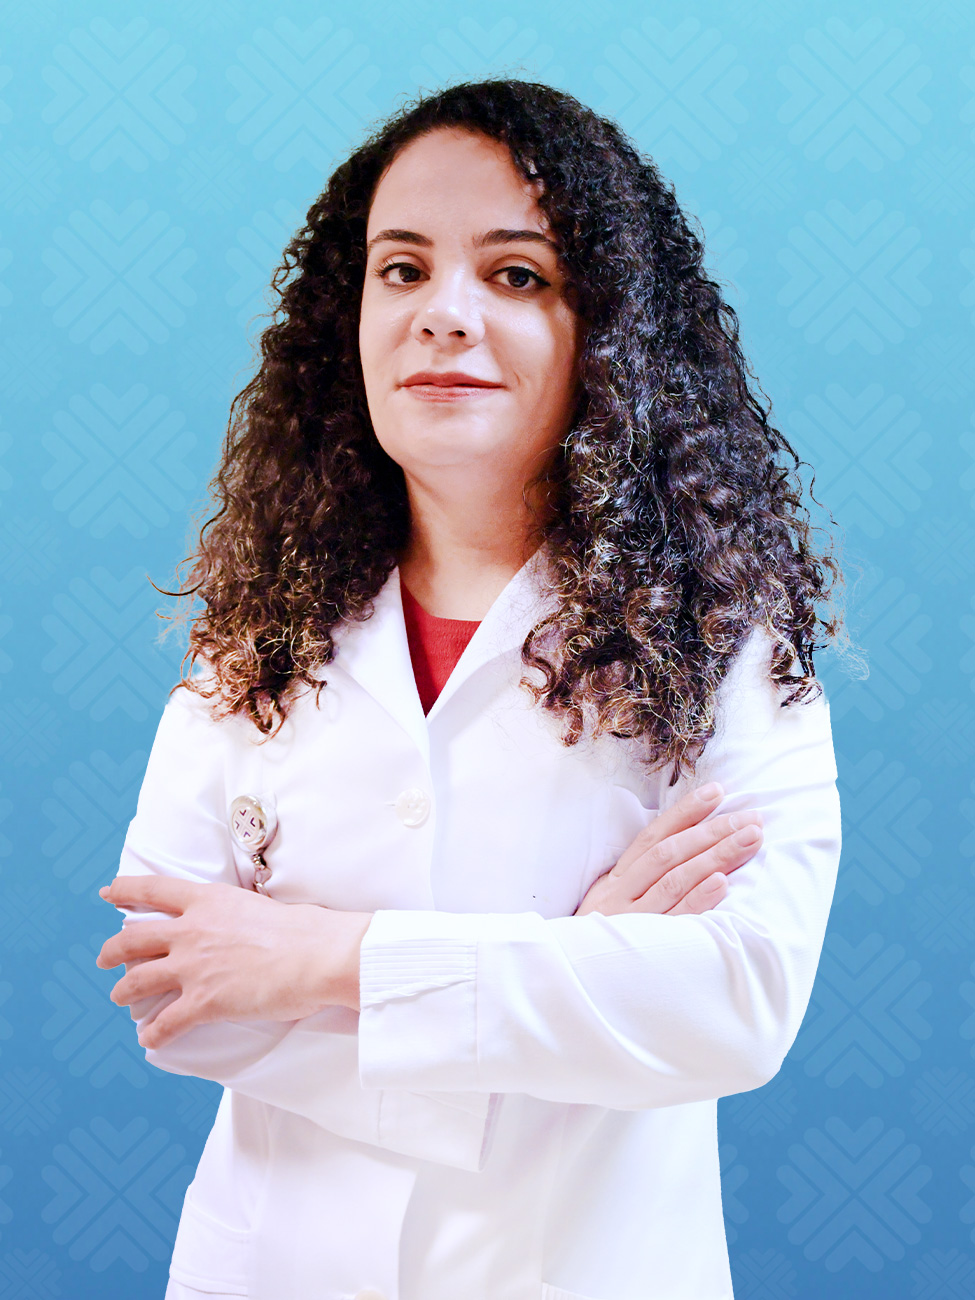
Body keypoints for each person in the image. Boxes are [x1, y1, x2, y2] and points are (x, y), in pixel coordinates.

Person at [97, 79, 849, 1300]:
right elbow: (176, 990)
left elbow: (738, 1004)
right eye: (402, 269)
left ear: (607, 331)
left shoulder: (722, 653)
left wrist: (328, 960)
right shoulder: (259, 636)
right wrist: (577, 975)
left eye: (515, 275)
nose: (444, 313)